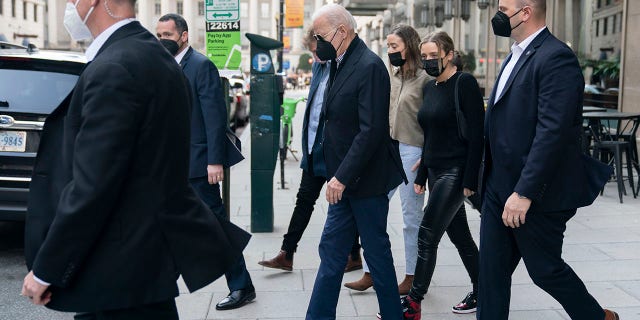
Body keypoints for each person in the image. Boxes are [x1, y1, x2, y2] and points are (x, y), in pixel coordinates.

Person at [21, 0, 250, 318]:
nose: (70, 6)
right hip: (143, 266)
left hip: (115, 273)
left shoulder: (116, 67)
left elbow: (93, 184)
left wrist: (47, 269)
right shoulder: (152, 56)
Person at [478, 1, 618, 320]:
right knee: (490, 275)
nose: (497, 14)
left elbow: (552, 131)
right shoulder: (515, 53)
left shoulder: (556, 57)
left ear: (525, 12)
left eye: (503, 7)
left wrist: (525, 192)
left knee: (545, 271)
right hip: (497, 187)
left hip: (534, 193)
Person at [305, 4, 407, 320]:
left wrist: (342, 177)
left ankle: (392, 314)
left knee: (376, 254)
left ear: (343, 32)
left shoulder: (369, 66)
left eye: (319, 35)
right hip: (344, 181)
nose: (316, 41)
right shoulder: (338, 61)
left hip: (366, 182)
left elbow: (372, 130)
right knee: (332, 252)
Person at [156, 13, 255, 311]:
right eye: (158, 35)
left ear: (184, 36)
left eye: (167, 36)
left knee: (215, 227)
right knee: (166, 224)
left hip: (199, 165)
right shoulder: (162, 65)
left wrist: (215, 161)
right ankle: (160, 286)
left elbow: (214, 117)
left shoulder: (201, 66)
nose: (161, 41)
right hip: (169, 164)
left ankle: (241, 286)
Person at [258, 28, 362, 273]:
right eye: (312, 53)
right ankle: (287, 253)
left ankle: (354, 254)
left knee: (344, 203)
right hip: (315, 148)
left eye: (317, 52)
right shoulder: (318, 68)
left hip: (337, 150)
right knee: (304, 200)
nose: (314, 57)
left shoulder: (345, 68)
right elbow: (315, 107)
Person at [397, 31, 484, 320]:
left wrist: (470, 181)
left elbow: (477, 137)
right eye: (425, 56)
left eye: (434, 55)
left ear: (449, 54)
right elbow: (429, 135)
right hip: (435, 172)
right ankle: (485, 288)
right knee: (461, 237)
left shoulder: (465, 83)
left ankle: (413, 303)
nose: (429, 61)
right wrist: (422, 174)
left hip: (456, 172)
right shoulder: (431, 87)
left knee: (426, 235)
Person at [345, 24, 428, 296]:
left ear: (410, 47)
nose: (389, 51)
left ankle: (412, 276)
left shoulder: (425, 80)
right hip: (387, 149)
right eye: (388, 46)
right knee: (373, 209)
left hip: (412, 151)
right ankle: (371, 271)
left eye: (395, 47)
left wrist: (427, 158)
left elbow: (434, 122)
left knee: (410, 218)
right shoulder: (390, 76)